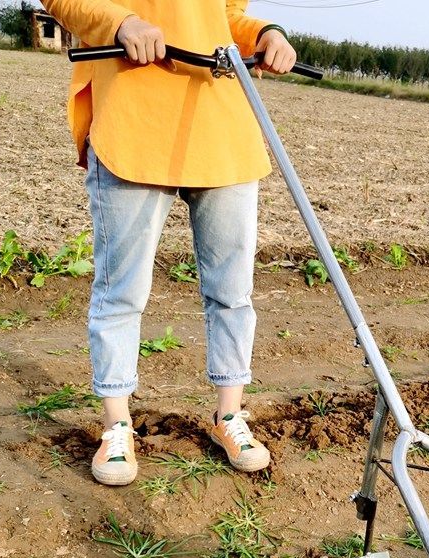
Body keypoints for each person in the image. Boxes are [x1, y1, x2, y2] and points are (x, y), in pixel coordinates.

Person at [41, 0, 297, 486]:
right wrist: (122, 23)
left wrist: (265, 33)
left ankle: (229, 416)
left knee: (232, 291)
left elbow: (223, 18)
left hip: (222, 129)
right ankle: (116, 425)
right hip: (133, 124)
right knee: (122, 292)